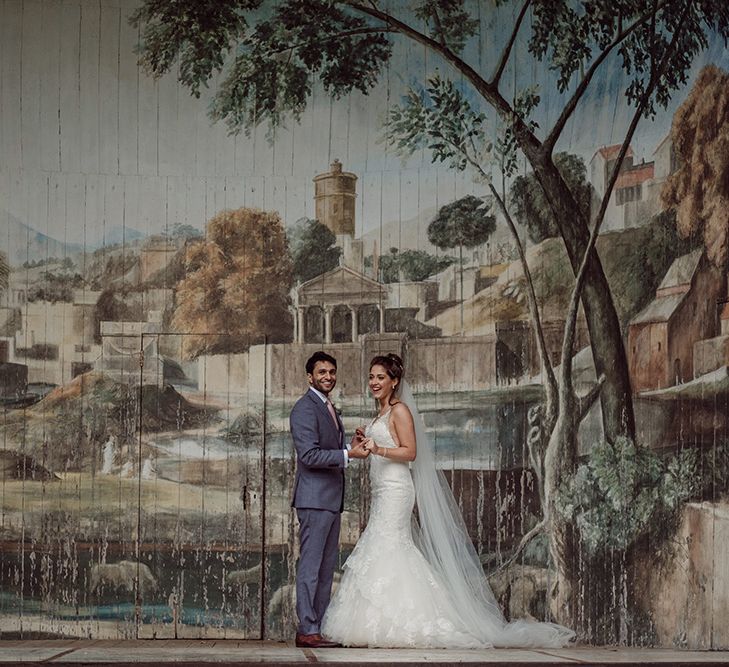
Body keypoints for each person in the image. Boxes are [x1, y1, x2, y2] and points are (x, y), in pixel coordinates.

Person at [321, 353, 575, 649]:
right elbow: (383, 445)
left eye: (381, 377)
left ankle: (410, 621)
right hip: (381, 490)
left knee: (390, 545)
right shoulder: (379, 415)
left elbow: (410, 452)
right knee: (382, 545)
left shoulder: (400, 410)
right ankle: (375, 620)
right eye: (371, 377)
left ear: (395, 382)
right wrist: (366, 442)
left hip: (396, 490)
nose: (374, 382)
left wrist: (378, 448)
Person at [290, 351, 370, 648]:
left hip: (330, 500)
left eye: (332, 372)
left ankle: (317, 628)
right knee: (311, 567)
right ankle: (307, 629)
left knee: (325, 569)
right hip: (314, 500)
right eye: (322, 372)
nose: (328, 377)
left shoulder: (327, 406)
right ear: (310, 376)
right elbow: (309, 455)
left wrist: (351, 446)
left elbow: (327, 449)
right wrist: (349, 455)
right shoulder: (304, 409)